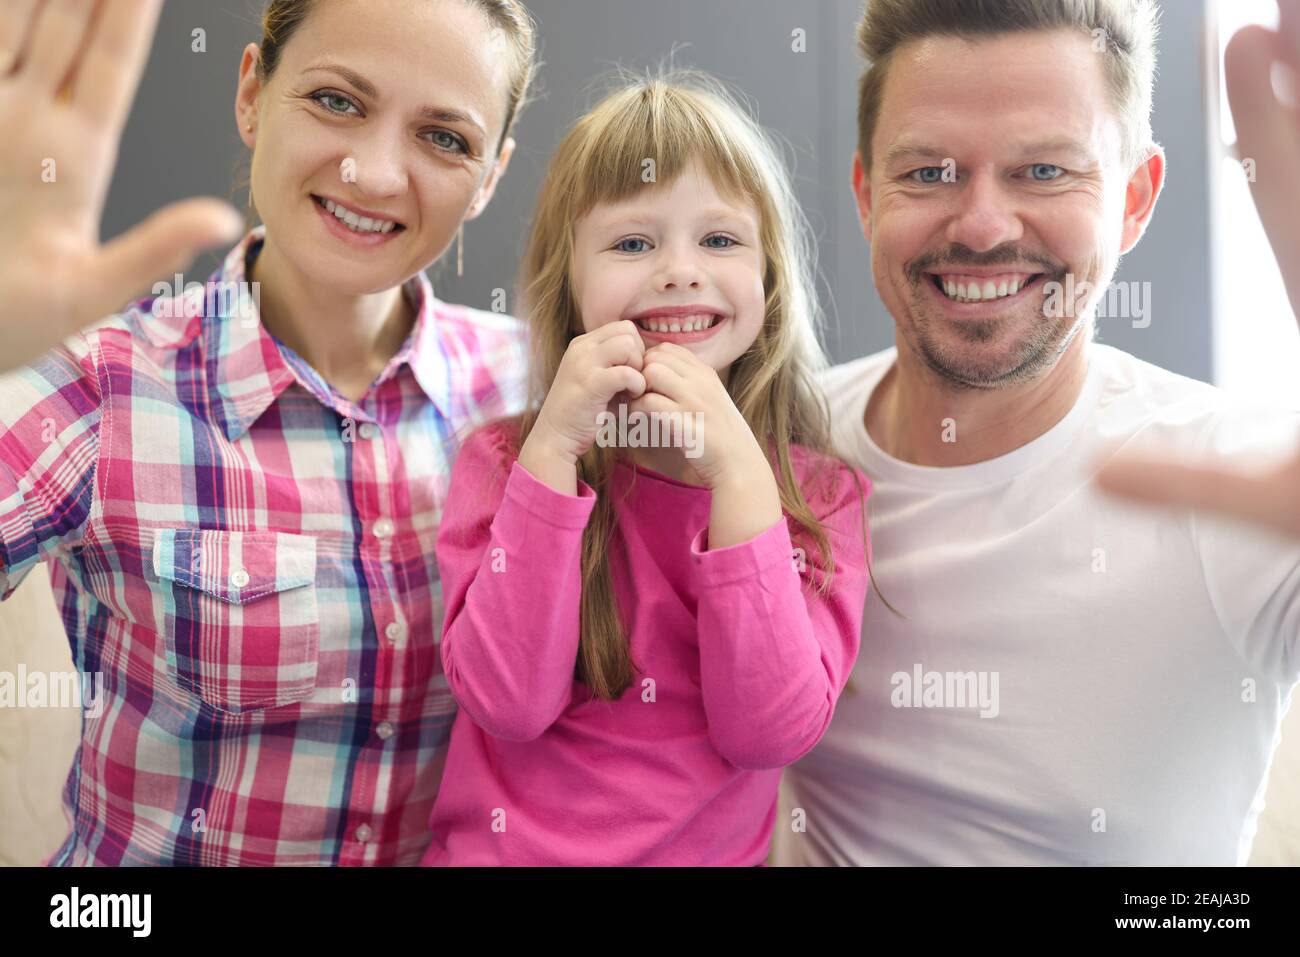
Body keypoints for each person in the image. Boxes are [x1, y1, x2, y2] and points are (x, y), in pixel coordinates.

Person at [0, 0, 536, 865]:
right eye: (336, 101)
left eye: (445, 138)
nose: (372, 171)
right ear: (252, 92)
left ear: (490, 178)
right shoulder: (103, 382)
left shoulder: (537, 395)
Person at [774, 0, 1300, 866]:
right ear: (868, 195)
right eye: (931, 174)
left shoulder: (1238, 484)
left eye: (1045, 172)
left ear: (1134, 202)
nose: (982, 225)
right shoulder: (783, 451)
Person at [420, 75, 873, 865]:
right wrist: (554, 450)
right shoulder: (502, 463)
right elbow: (507, 702)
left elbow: (768, 731)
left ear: (768, 274)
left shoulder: (819, 497)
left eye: (720, 240)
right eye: (633, 243)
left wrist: (739, 480)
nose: (678, 271)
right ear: (571, 279)